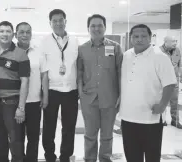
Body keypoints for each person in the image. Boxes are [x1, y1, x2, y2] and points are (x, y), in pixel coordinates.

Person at [119, 24, 176, 162]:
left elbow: (170, 83)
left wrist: (163, 105)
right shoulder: (126, 56)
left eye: (144, 36)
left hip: (151, 118)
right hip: (127, 118)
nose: (140, 39)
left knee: (152, 156)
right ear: (131, 38)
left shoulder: (160, 57)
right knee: (132, 156)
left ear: (150, 37)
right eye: (136, 36)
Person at [77, 14, 123, 162]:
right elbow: (79, 73)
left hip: (110, 98)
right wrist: (81, 95)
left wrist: (120, 96)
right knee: (90, 134)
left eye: (99, 25)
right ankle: (89, 159)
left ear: (105, 27)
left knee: (107, 134)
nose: (96, 29)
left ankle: (105, 159)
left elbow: (120, 72)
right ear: (88, 28)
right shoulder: (82, 49)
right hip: (88, 98)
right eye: (93, 26)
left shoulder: (115, 47)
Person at [40, 9, 79, 162]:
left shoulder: (75, 41)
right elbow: (43, 70)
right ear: (50, 23)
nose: (58, 23)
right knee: (49, 127)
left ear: (65, 21)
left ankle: (65, 156)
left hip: (71, 90)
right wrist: (44, 94)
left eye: (60, 20)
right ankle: (49, 156)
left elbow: (79, 66)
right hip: (52, 90)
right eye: (54, 21)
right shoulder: (44, 42)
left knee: (69, 127)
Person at [0, 21, 30, 162]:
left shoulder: (21, 54)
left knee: (16, 141)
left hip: (12, 104)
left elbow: (25, 82)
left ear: (13, 34)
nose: (4, 34)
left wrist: (21, 108)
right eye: (1, 31)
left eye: (8, 31)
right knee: (0, 140)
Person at [15, 22, 49, 162]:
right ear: (16, 34)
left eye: (28, 32)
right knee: (17, 138)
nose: (25, 35)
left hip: (34, 101)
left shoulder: (38, 51)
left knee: (33, 137)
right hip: (15, 102)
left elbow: (44, 75)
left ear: (31, 34)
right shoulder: (11, 52)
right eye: (21, 32)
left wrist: (45, 96)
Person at [159, 35, 182, 129]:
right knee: (162, 101)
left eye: (176, 41)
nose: (175, 43)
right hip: (162, 81)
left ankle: (175, 121)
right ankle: (162, 120)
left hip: (174, 81)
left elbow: (180, 65)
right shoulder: (158, 51)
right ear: (166, 42)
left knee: (174, 102)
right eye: (173, 41)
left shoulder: (177, 51)